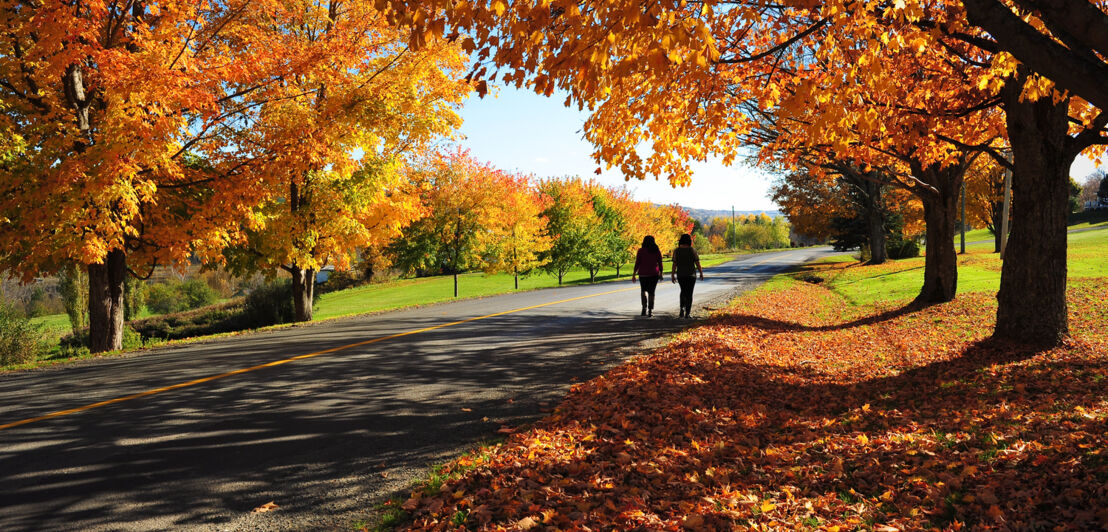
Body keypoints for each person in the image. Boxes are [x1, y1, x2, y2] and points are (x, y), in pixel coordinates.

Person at [671, 233, 704, 318]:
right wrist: (701, 273)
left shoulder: (676, 251)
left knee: (683, 291)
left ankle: (682, 309)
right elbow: (697, 262)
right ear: (689, 241)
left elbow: (674, 264)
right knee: (689, 293)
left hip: (681, 274)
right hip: (691, 275)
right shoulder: (692, 250)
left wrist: (672, 275)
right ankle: (688, 313)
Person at [630, 235, 664, 317]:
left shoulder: (641, 251)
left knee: (643, 290)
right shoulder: (657, 251)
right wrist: (661, 273)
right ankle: (650, 310)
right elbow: (660, 263)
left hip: (643, 274)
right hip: (654, 274)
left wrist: (634, 274)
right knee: (652, 292)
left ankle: (644, 308)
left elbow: (637, 263)